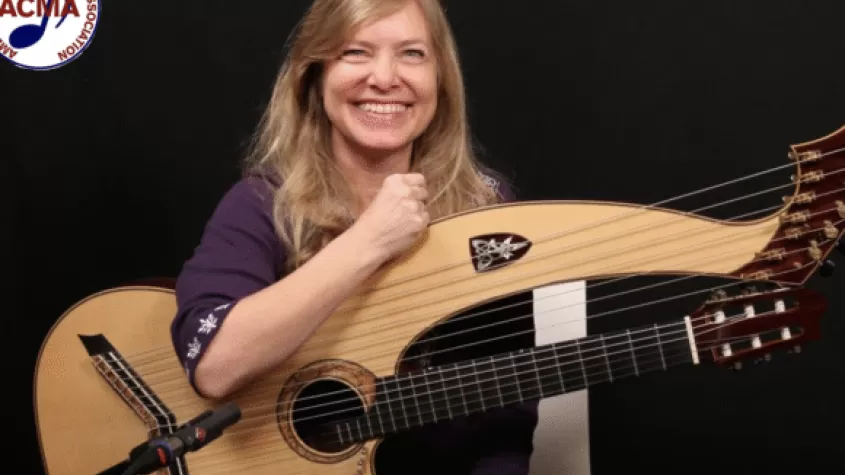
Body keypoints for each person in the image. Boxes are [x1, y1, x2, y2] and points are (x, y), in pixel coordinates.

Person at [170, 0, 539, 473]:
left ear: (441, 78)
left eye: (412, 54)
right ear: (315, 75)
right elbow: (214, 365)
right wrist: (369, 241)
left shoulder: (486, 207)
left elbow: (506, 406)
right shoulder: (264, 203)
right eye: (355, 52)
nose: (385, 78)